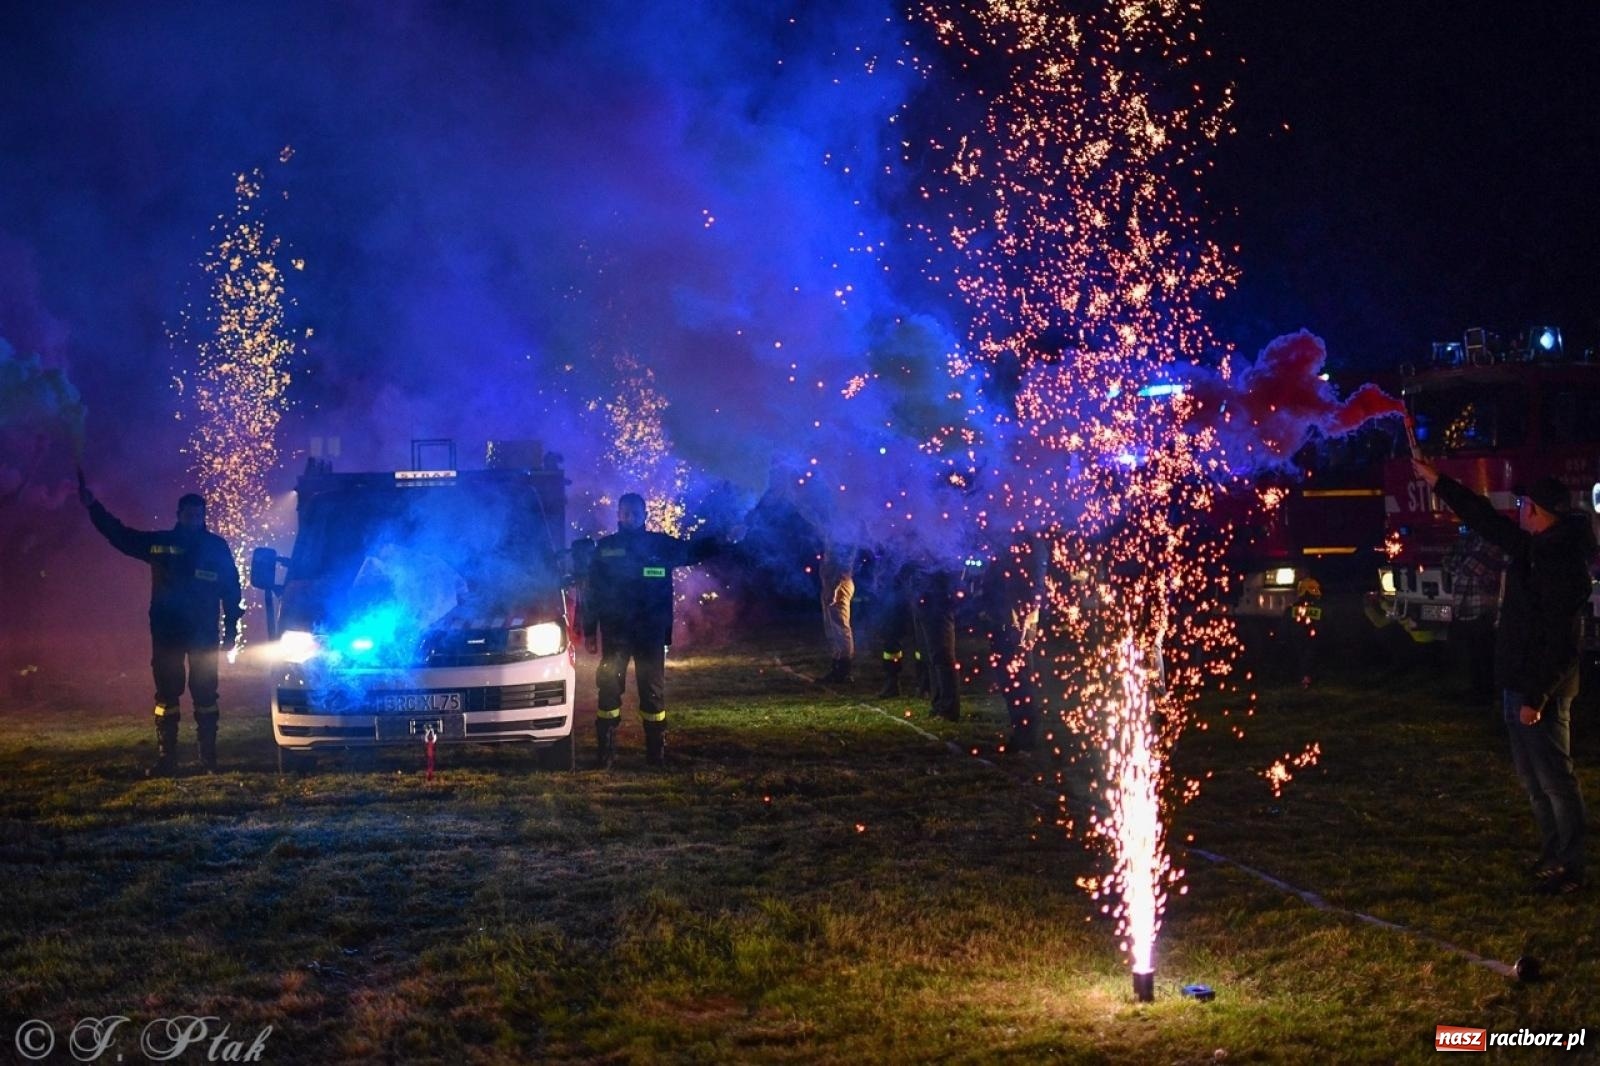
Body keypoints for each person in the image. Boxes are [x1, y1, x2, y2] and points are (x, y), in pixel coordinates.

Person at [1415, 461, 1593, 895]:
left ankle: (1571, 866)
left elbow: (1561, 643)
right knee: (1534, 782)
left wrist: (1536, 695)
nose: (1517, 510)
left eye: (1522, 503)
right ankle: (1552, 857)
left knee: (1555, 780)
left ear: (1537, 510)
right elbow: (1485, 520)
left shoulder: (1560, 562)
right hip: (1519, 684)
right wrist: (1439, 482)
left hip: (1540, 692)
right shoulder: (1535, 547)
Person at [79, 472, 242, 776]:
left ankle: (208, 760)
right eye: (189, 513)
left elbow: (231, 589)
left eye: (199, 514)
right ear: (179, 515)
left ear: (203, 516)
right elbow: (122, 536)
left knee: (205, 694)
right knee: (167, 695)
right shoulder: (161, 543)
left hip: (203, 632)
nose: (194, 518)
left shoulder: (216, 548)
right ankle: (168, 760)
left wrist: (232, 628)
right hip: (168, 631)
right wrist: (94, 508)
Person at [581, 493, 731, 768]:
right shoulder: (605, 548)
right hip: (616, 631)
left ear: (644, 515)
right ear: (618, 514)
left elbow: (693, 551)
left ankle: (655, 752)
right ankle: (606, 752)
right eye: (625, 511)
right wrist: (589, 630)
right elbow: (592, 592)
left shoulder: (660, 546)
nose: (630, 516)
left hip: (650, 630)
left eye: (635, 512)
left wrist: (723, 538)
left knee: (652, 689)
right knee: (609, 687)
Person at [818, 539, 857, 683]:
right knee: (833, 628)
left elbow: (843, 565)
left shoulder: (845, 533)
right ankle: (837, 665)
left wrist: (834, 589)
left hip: (839, 584)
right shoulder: (835, 530)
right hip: (832, 583)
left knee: (840, 628)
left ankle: (843, 670)